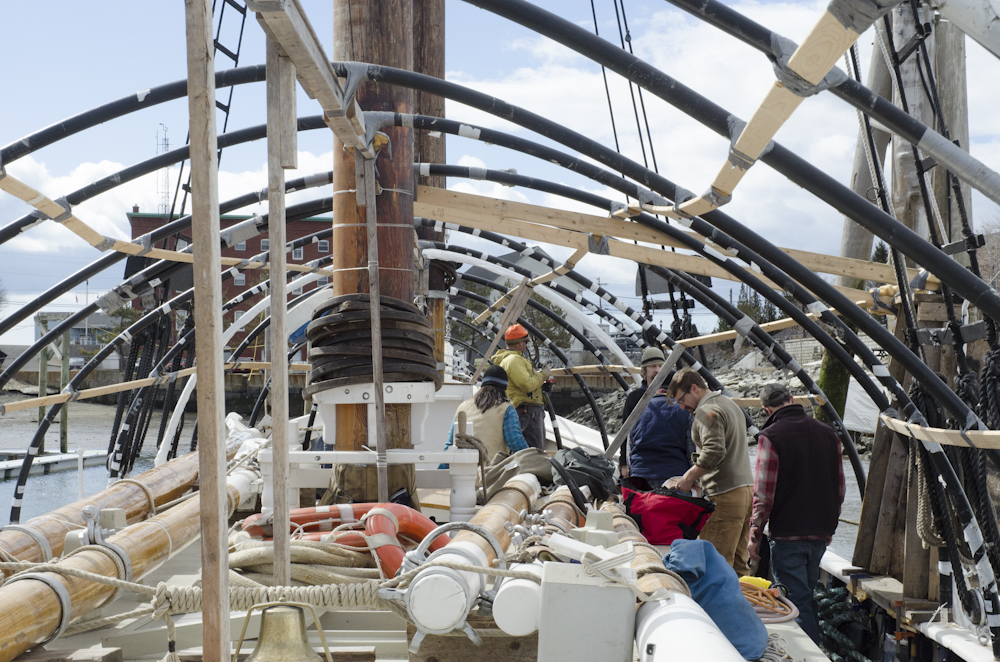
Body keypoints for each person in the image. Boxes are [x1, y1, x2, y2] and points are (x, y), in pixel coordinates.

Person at [748, 383, 844, 644]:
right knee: (806, 595)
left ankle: (809, 652)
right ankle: (816, 647)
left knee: (795, 600)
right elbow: (840, 487)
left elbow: (763, 496)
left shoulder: (770, 436)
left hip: (789, 534)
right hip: (820, 533)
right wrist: (830, 527)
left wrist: (754, 536)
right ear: (792, 399)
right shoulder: (828, 433)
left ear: (767, 409)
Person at [665, 367, 753, 576]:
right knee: (739, 565)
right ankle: (744, 605)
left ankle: (718, 609)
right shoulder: (729, 404)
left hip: (724, 495)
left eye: (681, 399)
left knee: (716, 565)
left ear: (694, 388)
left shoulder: (707, 411)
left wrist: (689, 477)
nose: (682, 406)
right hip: (746, 491)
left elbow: (714, 452)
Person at [443, 365, 529, 460]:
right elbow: (516, 443)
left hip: (462, 470)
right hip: (490, 471)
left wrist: (441, 470)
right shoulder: (506, 409)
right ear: (504, 388)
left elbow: (449, 445)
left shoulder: (462, 406)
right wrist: (533, 460)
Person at [492, 324, 550, 450]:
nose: (525, 345)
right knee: (533, 452)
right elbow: (526, 385)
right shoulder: (514, 360)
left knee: (529, 451)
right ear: (519, 344)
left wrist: (541, 382)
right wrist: (544, 374)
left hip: (525, 410)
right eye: (525, 342)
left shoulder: (511, 360)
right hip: (527, 413)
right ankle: (532, 469)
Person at [625, 386, 692, 490]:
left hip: (641, 479)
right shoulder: (684, 411)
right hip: (675, 478)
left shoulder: (636, 412)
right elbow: (692, 451)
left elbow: (629, 452)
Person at [620, 346, 666, 476]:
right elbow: (625, 431)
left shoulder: (673, 395)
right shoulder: (634, 398)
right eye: (653, 366)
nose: (657, 370)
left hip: (667, 459)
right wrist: (623, 463)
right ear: (644, 370)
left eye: (660, 366)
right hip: (642, 461)